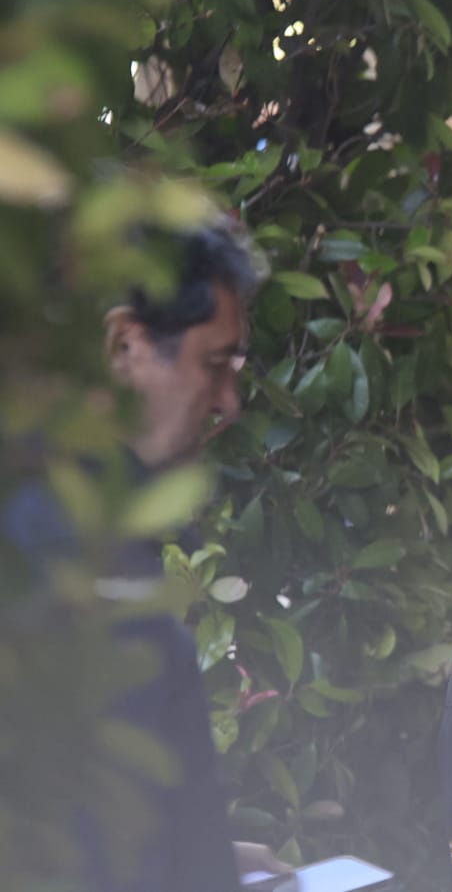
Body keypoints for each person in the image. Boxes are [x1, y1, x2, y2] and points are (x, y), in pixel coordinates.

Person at [3, 224, 284, 892]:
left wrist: (208, 845)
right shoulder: (80, 570)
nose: (227, 402)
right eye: (215, 363)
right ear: (124, 345)